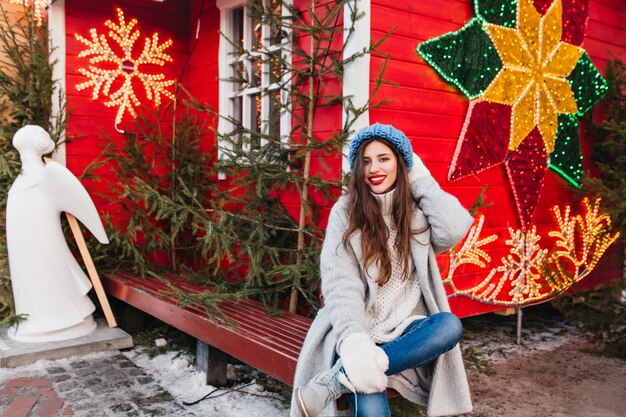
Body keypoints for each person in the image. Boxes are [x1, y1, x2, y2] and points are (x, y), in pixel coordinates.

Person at [290, 123, 474, 417]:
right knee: (371, 404)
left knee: (449, 325)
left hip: (405, 327)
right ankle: (354, 368)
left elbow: (454, 228)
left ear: (401, 164)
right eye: (365, 161)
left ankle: (339, 379)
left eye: (384, 158)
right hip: (358, 328)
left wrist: (420, 177)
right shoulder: (346, 212)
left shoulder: (416, 211)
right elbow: (341, 286)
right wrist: (355, 343)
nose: (374, 168)